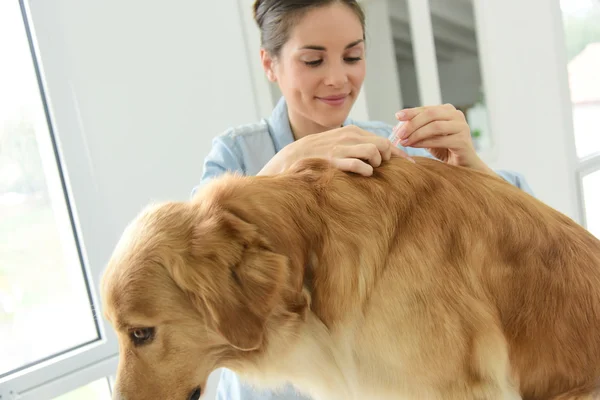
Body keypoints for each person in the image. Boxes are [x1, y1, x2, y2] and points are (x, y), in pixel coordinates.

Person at [194, 1, 534, 399]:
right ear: (270, 64)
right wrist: (290, 161)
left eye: (352, 56)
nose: (338, 78)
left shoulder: (383, 146)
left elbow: (519, 217)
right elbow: (202, 259)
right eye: (314, 61)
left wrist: (468, 163)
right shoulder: (238, 155)